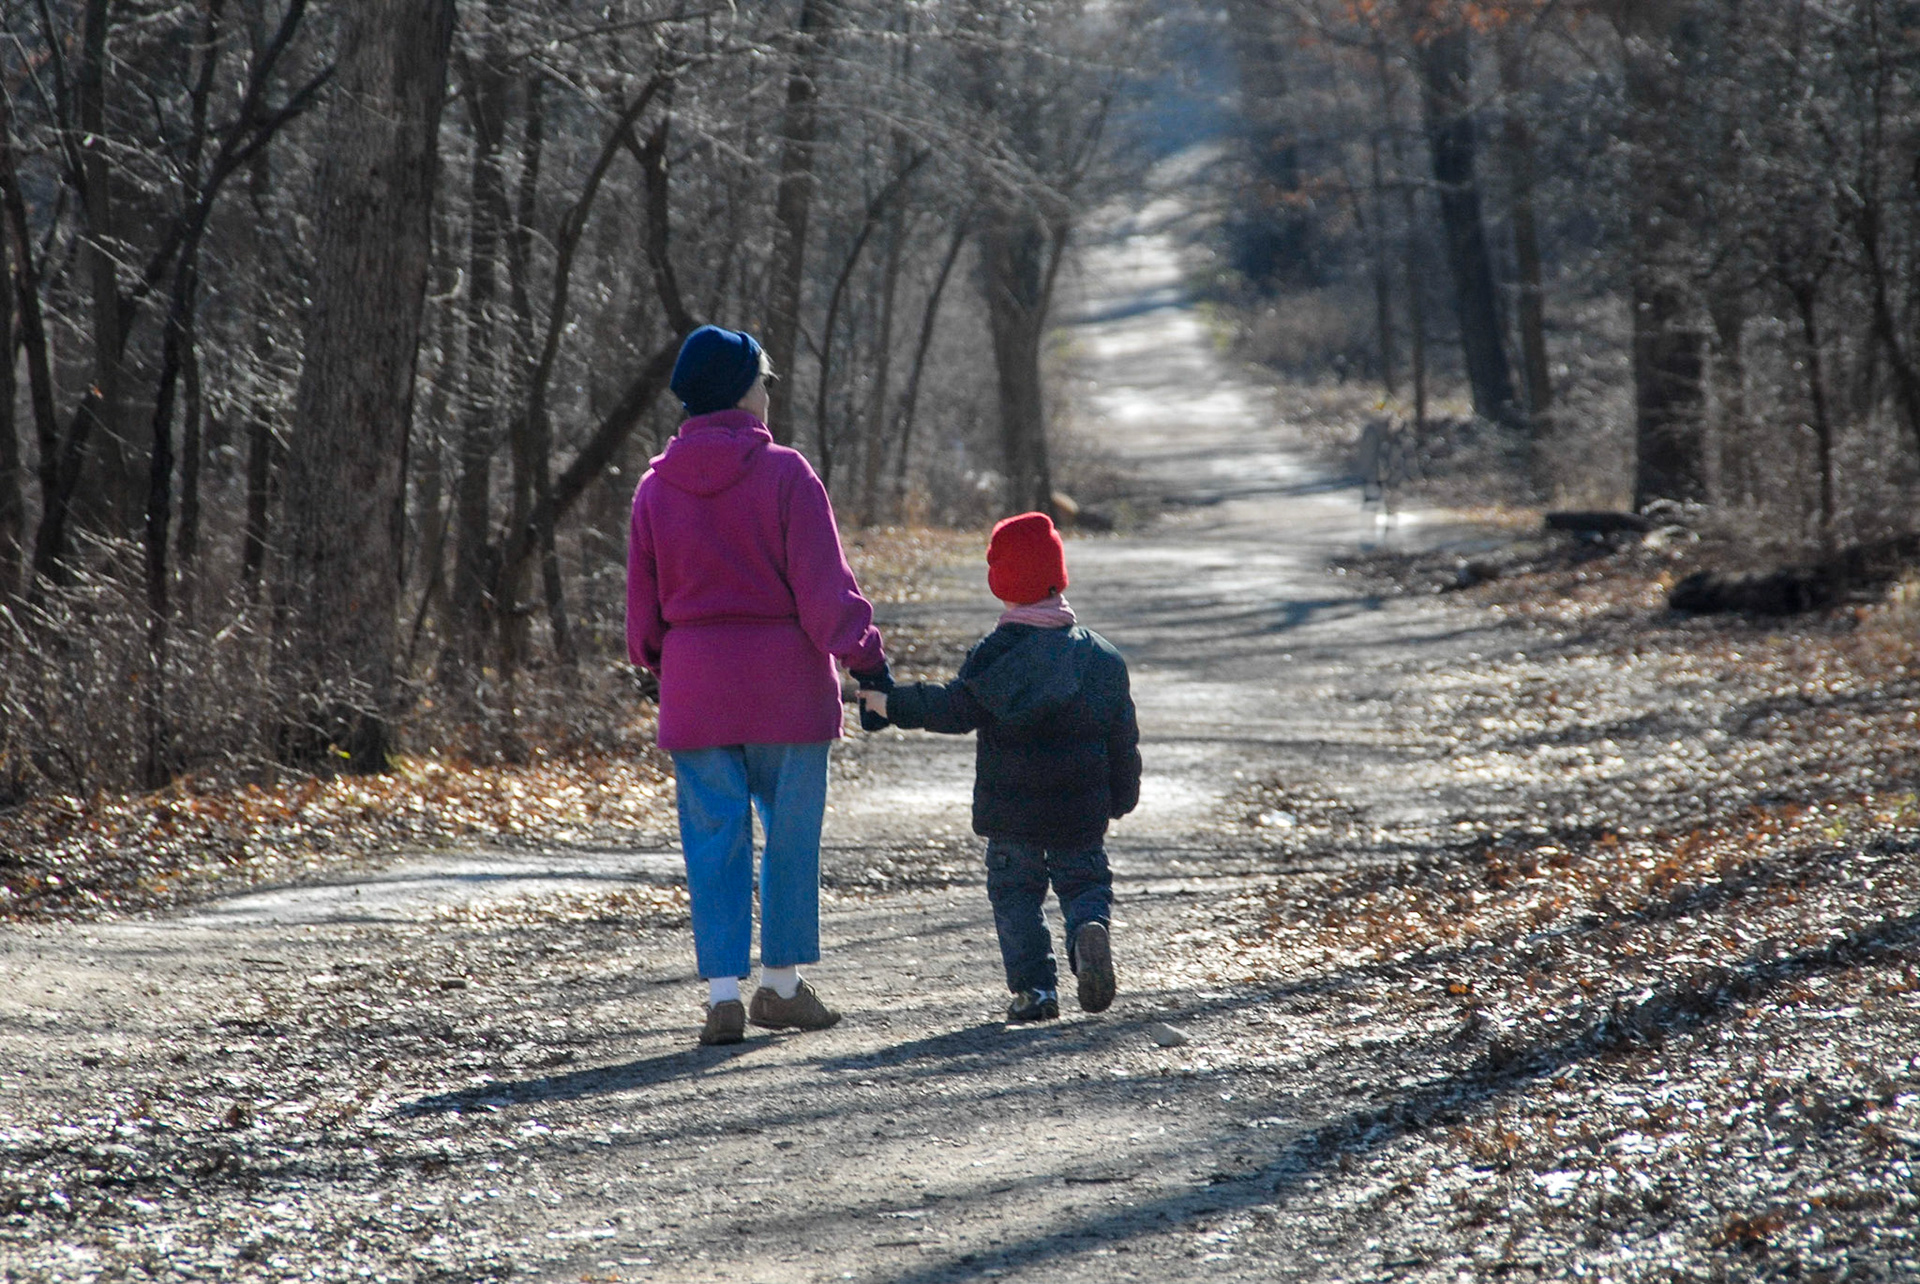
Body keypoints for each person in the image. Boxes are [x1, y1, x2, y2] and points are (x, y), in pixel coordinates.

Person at [627, 324, 892, 1046]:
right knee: (789, 838)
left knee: (712, 841)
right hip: (786, 690)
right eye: (764, 378)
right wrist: (866, 662)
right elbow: (826, 595)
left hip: (697, 689)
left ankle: (721, 998)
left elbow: (642, 623)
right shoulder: (786, 475)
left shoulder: (654, 489)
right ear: (740, 388)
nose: (769, 391)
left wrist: (671, 665)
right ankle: (779, 986)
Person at [859, 511, 1140, 1022]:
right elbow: (1122, 736)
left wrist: (891, 703)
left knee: (1016, 897)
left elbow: (954, 708)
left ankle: (1036, 991)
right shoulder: (1102, 658)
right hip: (1081, 810)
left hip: (1013, 814)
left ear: (1002, 584)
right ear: (1059, 578)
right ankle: (1085, 933)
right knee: (1085, 883)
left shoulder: (995, 656)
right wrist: (1121, 795)